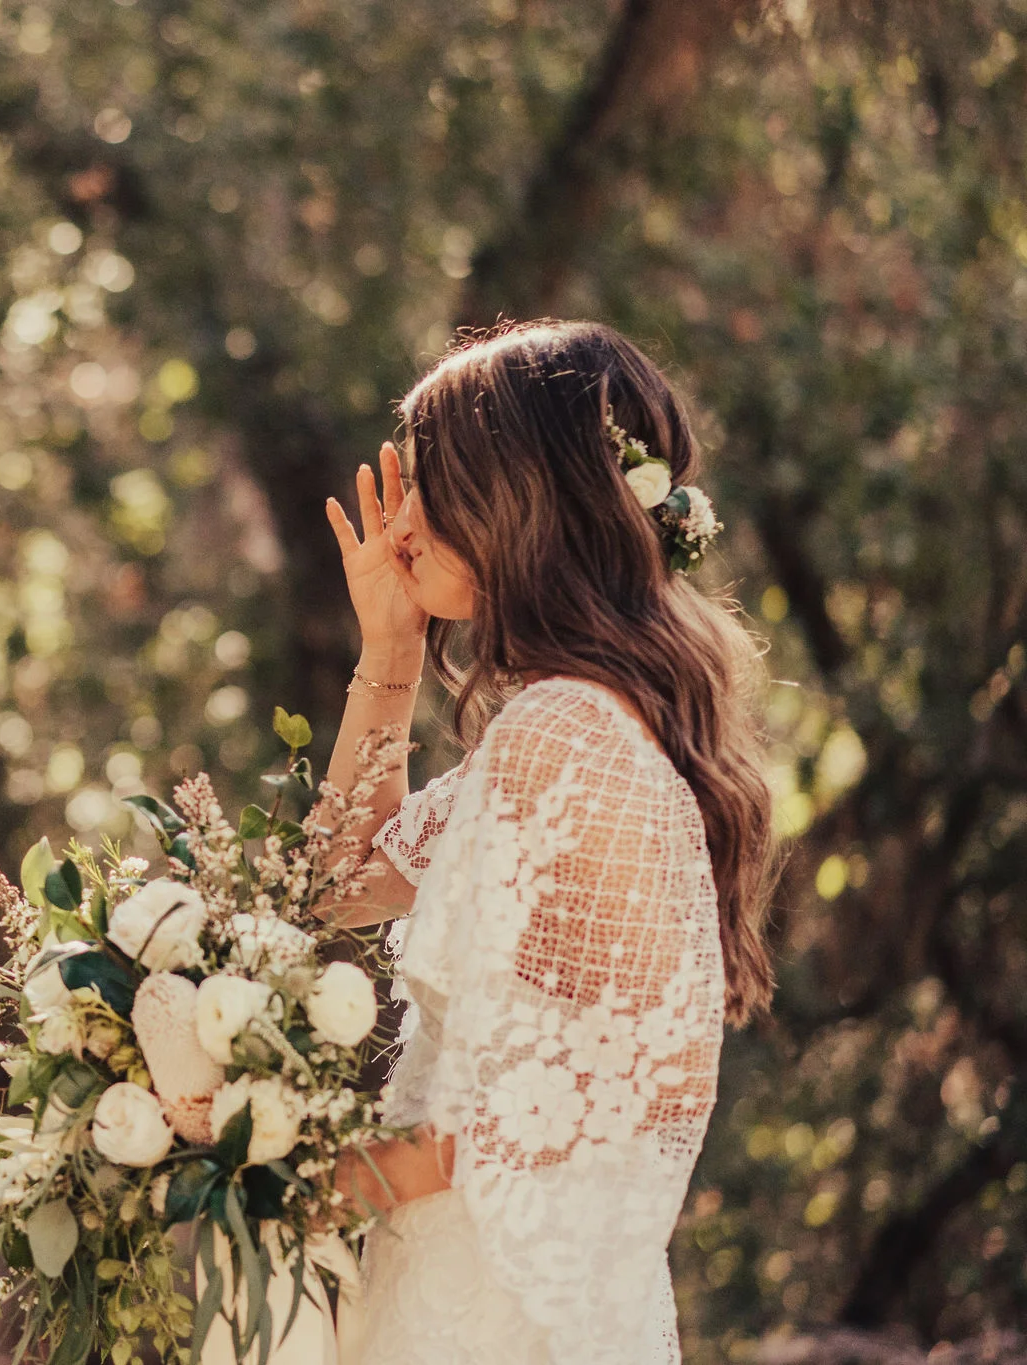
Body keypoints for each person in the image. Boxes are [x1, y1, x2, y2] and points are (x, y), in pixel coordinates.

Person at [317, 321, 775, 1364]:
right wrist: (389, 643)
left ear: (513, 496)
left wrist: (292, 1177)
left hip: (495, 1309)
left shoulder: (564, 733)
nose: (405, 515)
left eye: (435, 476)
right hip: (497, 1287)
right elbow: (337, 881)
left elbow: (554, 1108)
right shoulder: (590, 721)